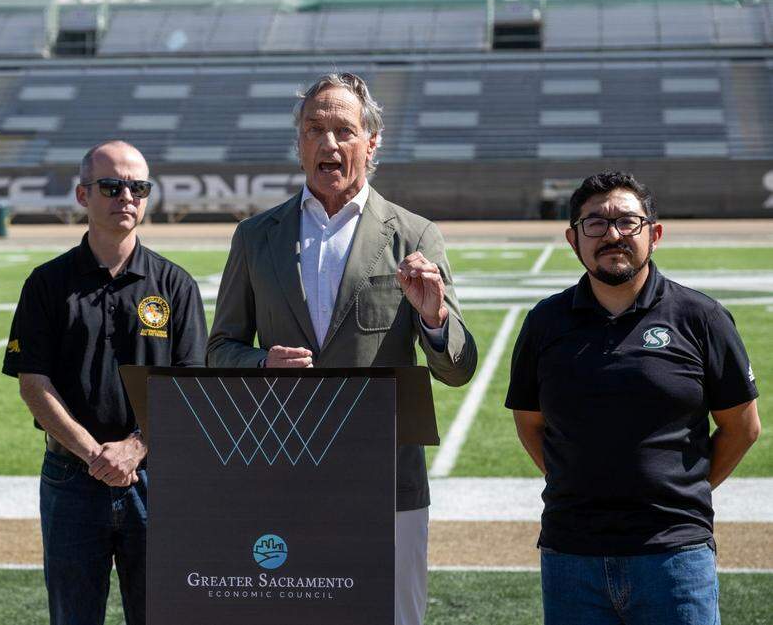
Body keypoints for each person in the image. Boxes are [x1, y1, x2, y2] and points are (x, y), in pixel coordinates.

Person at [206, 72, 478, 625]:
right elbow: (219, 350)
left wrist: (434, 317)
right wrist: (262, 362)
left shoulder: (415, 235)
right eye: (315, 129)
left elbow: (457, 368)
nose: (328, 143)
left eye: (344, 131)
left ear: (371, 143)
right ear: (299, 142)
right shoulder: (255, 236)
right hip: (281, 472)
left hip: (387, 479)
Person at [506, 171, 761, 625]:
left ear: (654, 234)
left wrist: (682, 493)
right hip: (571, 554)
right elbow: (530, 423)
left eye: (627, 221)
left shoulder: (702, 317)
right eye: (595, 224)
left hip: (675, 555)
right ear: (573, 239)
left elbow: (742, 427)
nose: (612, 235)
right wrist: (579, 483)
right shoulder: (544, 323)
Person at [1, 140, 207, 625]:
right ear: (82, 195)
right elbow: (33, 382)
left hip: (154, 477)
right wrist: (95, 455)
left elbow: (188, 386)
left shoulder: (176, 285)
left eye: (139, 188)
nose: (127, 197)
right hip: (71, 478)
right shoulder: (46, 283)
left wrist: (135, 447)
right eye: (112, 187)